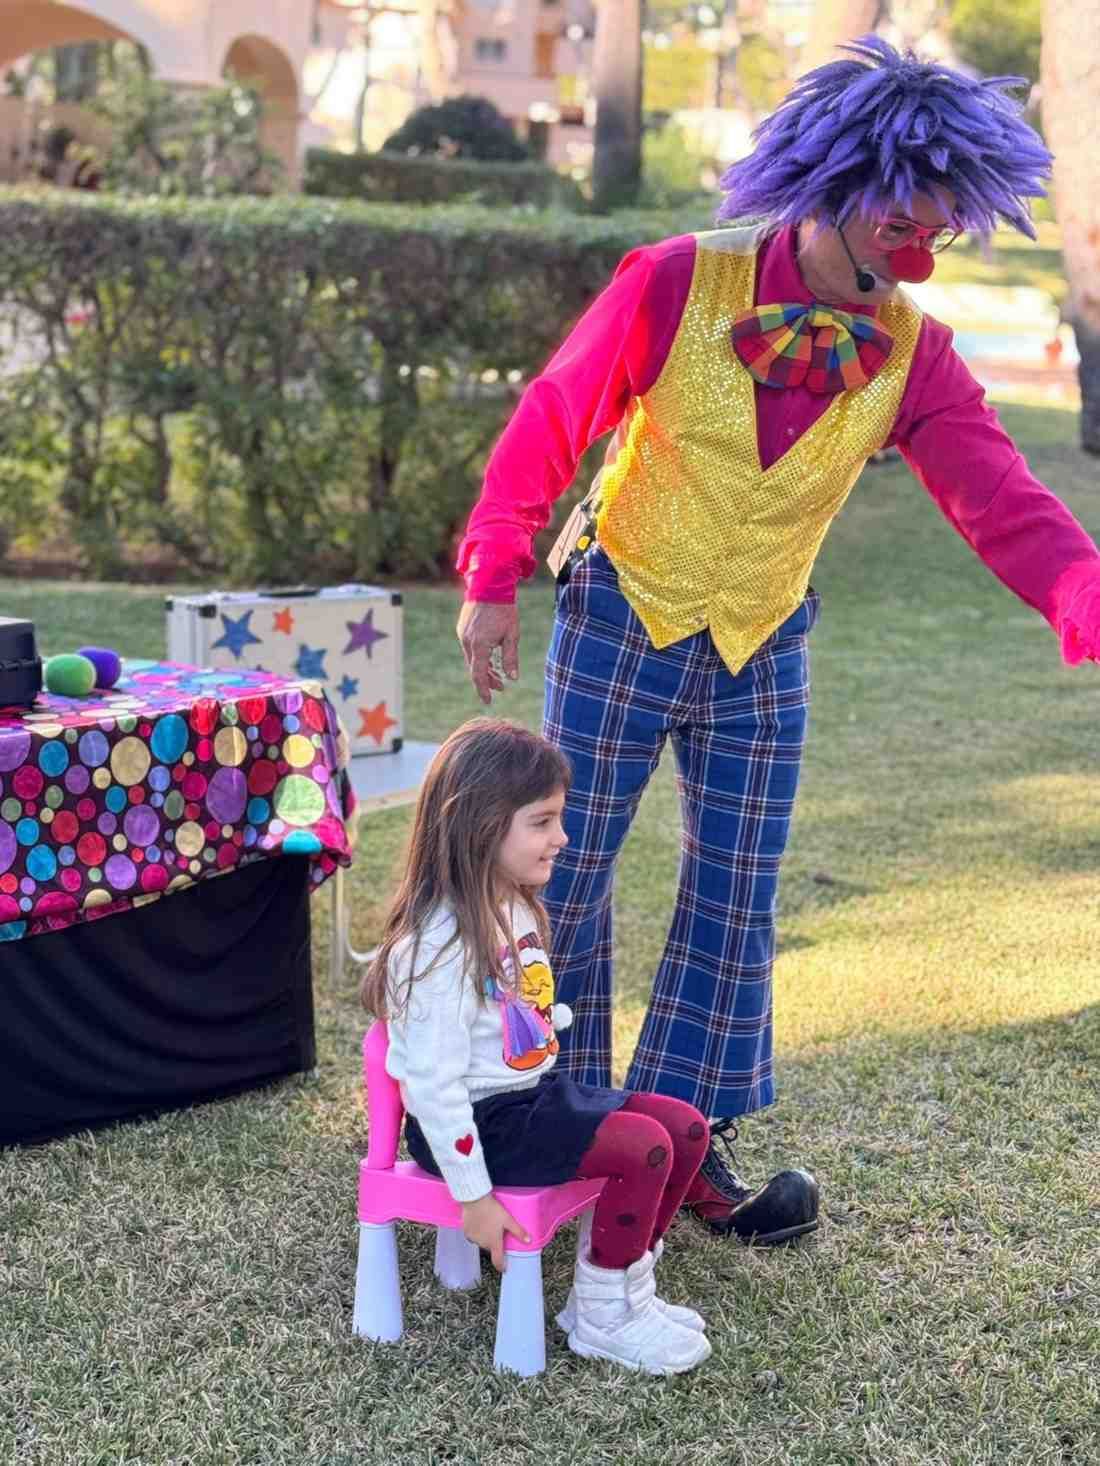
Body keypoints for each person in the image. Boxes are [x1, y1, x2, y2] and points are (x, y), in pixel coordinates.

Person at [454, 37, 1100, 1244]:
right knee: (564, 879)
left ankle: (682, 1139)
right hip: (622, 608)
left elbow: (1001, 498)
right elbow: (555, 414)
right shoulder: (672, 281)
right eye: (902, 229)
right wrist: (494, 566)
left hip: (764, 640)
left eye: (938, 236)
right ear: (838, 191)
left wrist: (1085, 595)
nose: (914, 262)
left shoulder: (915, 355)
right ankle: (548, 1127)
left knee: (735, 898)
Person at [362, 718, 713, 1375]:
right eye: (543, 821)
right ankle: (604, 1319)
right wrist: (473, 1196)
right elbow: (435, 1091)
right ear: (482, 826)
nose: (562, 837)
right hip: (477, 1126)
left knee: (685, 1128)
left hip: (530, 1099)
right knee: (645, 1147)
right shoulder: (440, 948)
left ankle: (623, 1289)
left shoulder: (513, 907)